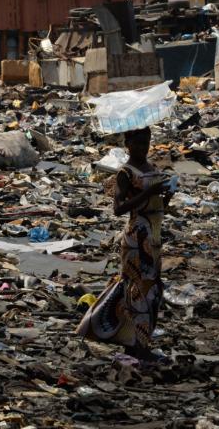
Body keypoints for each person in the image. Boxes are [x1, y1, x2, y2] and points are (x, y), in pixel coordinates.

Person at [77, 127, 171, 361]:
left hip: (154, 237)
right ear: (128, 144)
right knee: (136, 291)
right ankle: (136, 346)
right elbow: (118, 208)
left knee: (152, 291)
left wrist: (166, 194)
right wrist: (149, 192)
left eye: (146, 143)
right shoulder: (125, 172)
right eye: (138, 144)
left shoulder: (153, 169)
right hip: (136, 238)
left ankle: (139, 341)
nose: (143, 148)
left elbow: (159, 205)